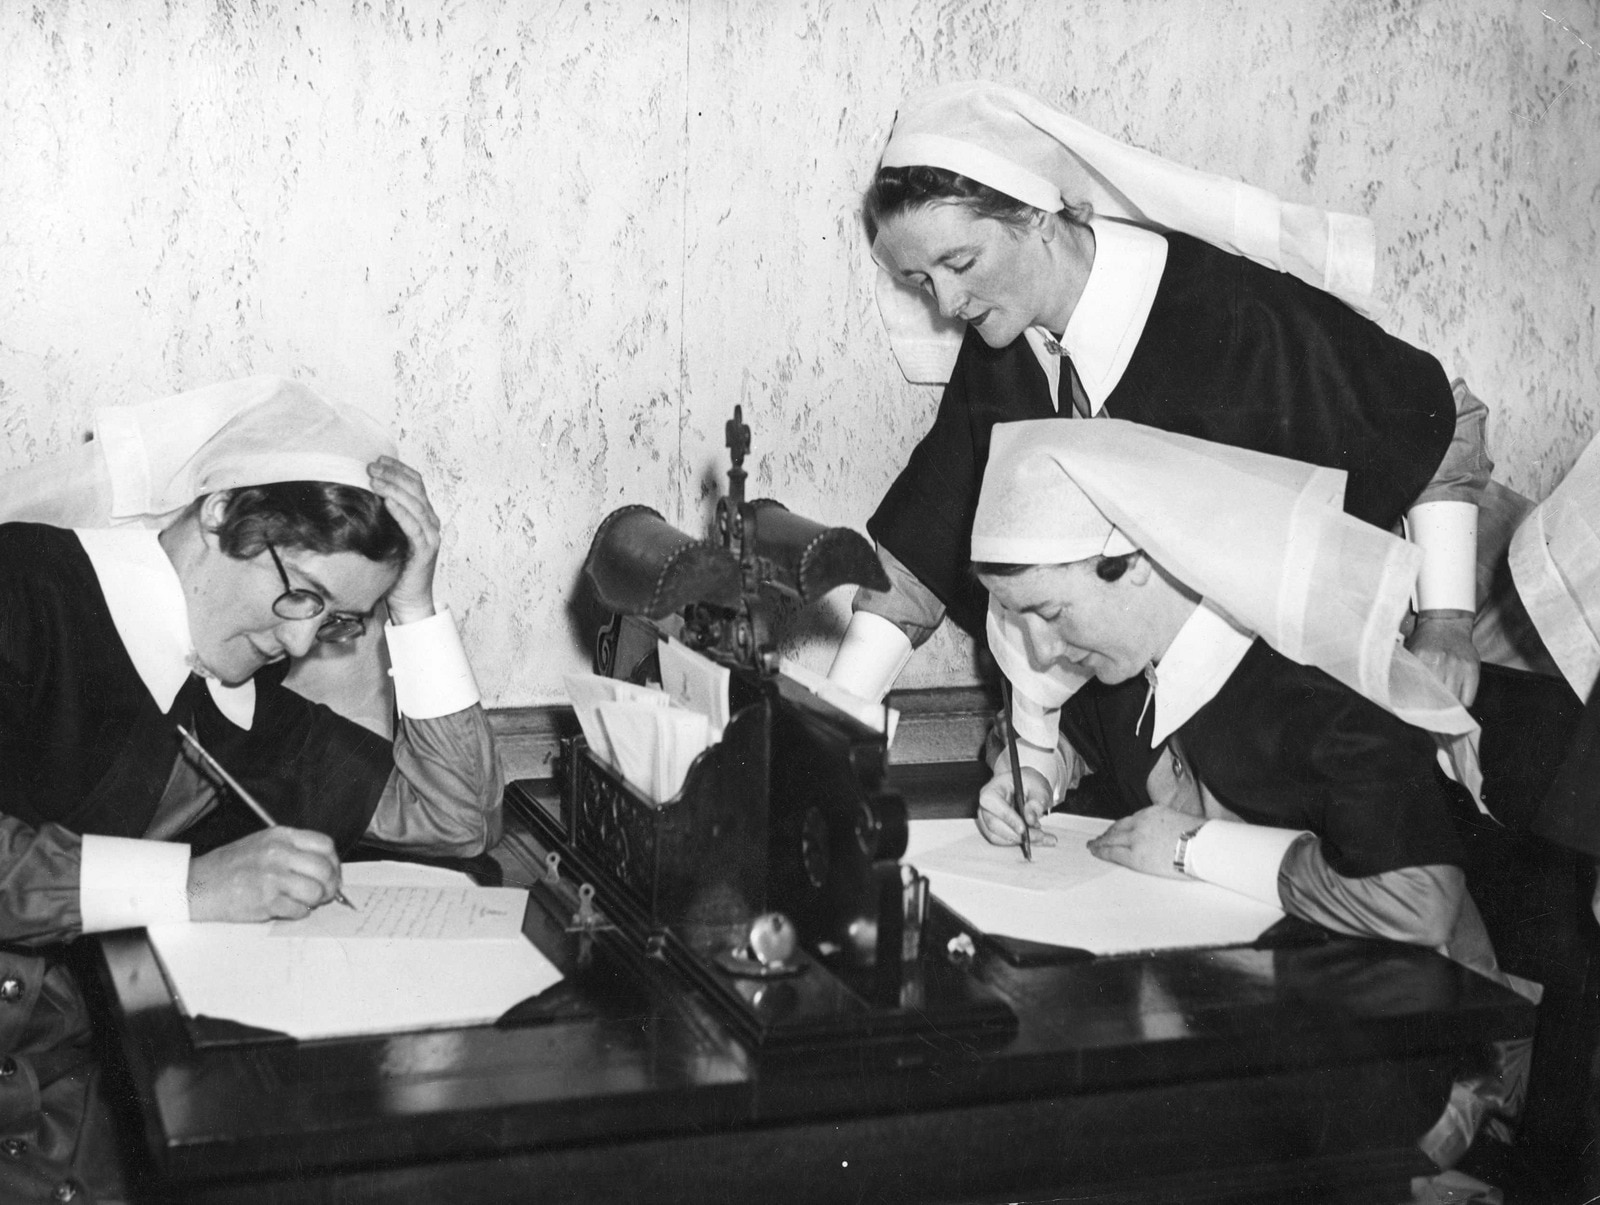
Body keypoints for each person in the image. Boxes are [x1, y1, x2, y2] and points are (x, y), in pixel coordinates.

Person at [965, 417, 1533, 1177]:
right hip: (1249, 1013)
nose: (1042, 654)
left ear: (1133, 563)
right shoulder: (1123, 660)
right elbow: (1094, 740)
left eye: (1051, 613)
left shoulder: (1307, 671)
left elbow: (1418, 899)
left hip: (1415, 1058)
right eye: (1016, 617)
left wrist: (1191, 849)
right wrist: (1036, 773)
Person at [828, 79, 1490, 711]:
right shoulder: (1001, 352)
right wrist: (837, 718)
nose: (946, 302)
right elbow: (922, 544)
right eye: (920, 281)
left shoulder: (1226, 317)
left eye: (961, 264)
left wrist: (1448, 619)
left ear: (1034, 215)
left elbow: (1440, 414)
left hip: (1399, 631)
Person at [0, 378, 500, 1203]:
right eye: (301, 590)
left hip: (68, 1125)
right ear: (218, 513)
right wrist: (194, 886)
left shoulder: (240, 707)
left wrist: (416, 607)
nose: (302, 640)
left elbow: (458, 817)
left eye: (338, 619)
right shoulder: (23, 587)